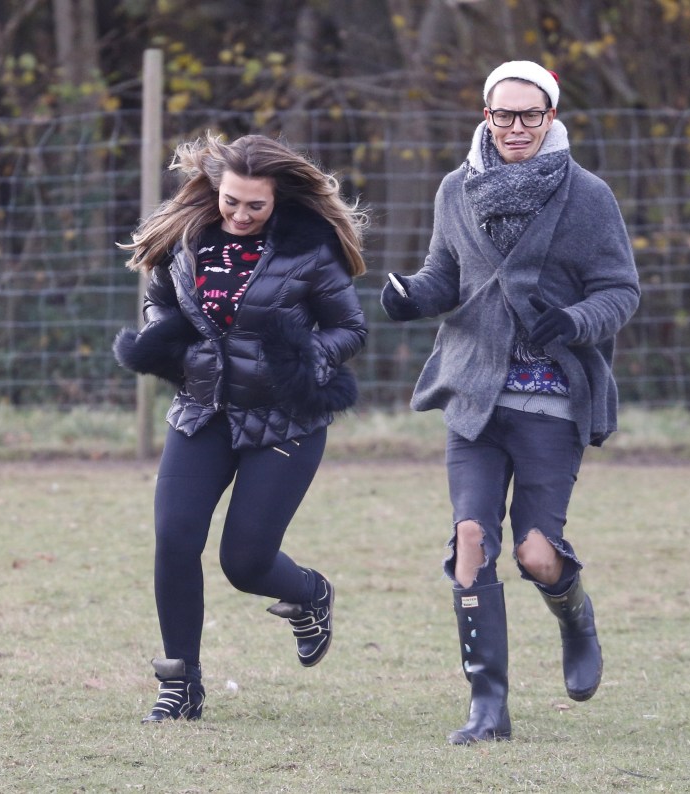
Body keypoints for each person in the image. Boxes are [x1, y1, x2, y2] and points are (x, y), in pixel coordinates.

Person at [380, 61, 640, 744]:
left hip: (553, 398)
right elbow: (446, 276)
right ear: (486, 114)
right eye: (505, 114)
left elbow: (622, 290)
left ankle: (573, 613)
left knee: (535, 554)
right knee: (471, 539)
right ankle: (487, 706)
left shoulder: (588, 196)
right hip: (473, 395)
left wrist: (576, 322)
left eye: (530, 115)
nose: (516, 127)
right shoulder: (454, 189)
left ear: (550, 117)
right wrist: (412, 297)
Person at [113, 133, 368, 723]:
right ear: (215, 188)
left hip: (286, 418)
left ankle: (310, 594)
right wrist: (165, 338)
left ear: (278, 199)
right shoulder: (187, 238)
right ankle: (180, 685)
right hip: (203, 411)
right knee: (175, 540)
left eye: (256, 205)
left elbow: (349, 327)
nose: (241, 214)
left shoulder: (310, 250)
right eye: (232, 201)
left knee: (245, 563)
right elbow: (159, 300)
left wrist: (305, 359)